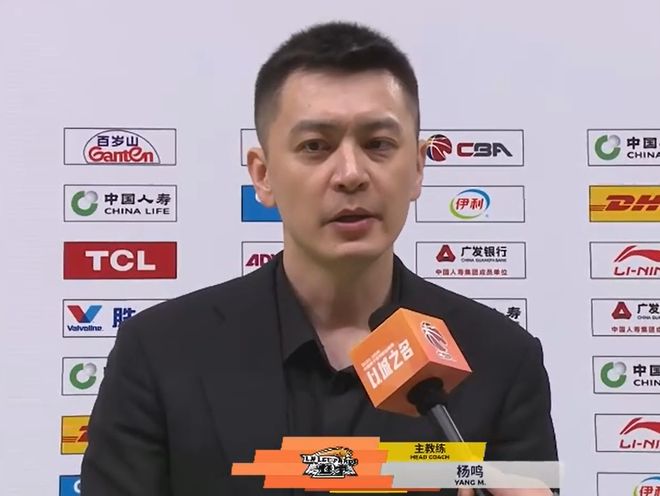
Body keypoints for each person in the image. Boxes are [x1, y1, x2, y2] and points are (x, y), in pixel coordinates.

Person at [80, 21, 559, 496]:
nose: (350, 174)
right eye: (315, 147)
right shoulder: (161, 352)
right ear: (263, 175)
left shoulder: (501, 359)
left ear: (417, 168)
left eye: (378, 144)